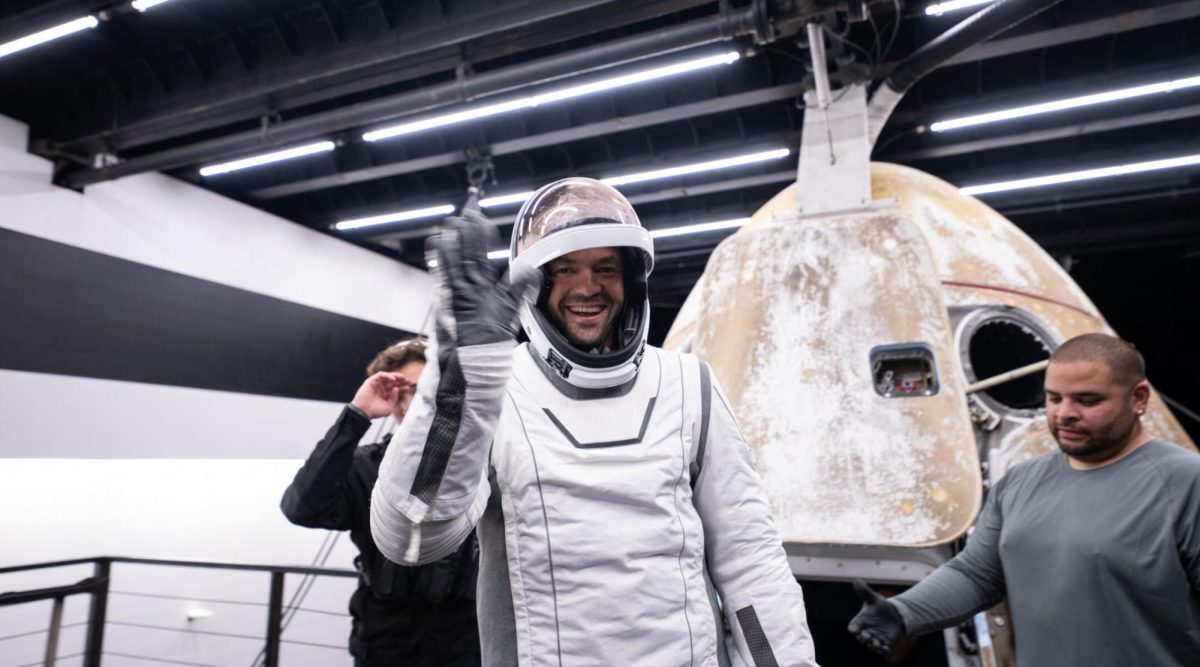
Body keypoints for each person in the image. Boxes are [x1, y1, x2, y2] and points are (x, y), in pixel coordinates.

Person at [370, 178, 819, 666]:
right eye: (566, 269)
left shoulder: (689, 383)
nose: (587, 287)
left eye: (605, 268)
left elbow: (749, 560)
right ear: (537, 284)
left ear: (631, 282)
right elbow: (411, 537)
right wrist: (462, 381)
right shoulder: (495, 387)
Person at [848, 333, 1200, 666]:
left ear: (1138, 398)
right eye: (1054, 398)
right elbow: (977, 574)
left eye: (1087, 400)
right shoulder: (1020, 481)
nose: (1065, 413)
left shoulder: (1186, 482)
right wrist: (903, 612)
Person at [282, 338, 480, 667]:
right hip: (385, 647)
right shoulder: (364, 467)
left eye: (428, 388)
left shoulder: (486, 468)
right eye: (406, 391)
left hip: (467, 649)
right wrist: (357, 415)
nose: (418, 401)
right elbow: (301, 507)